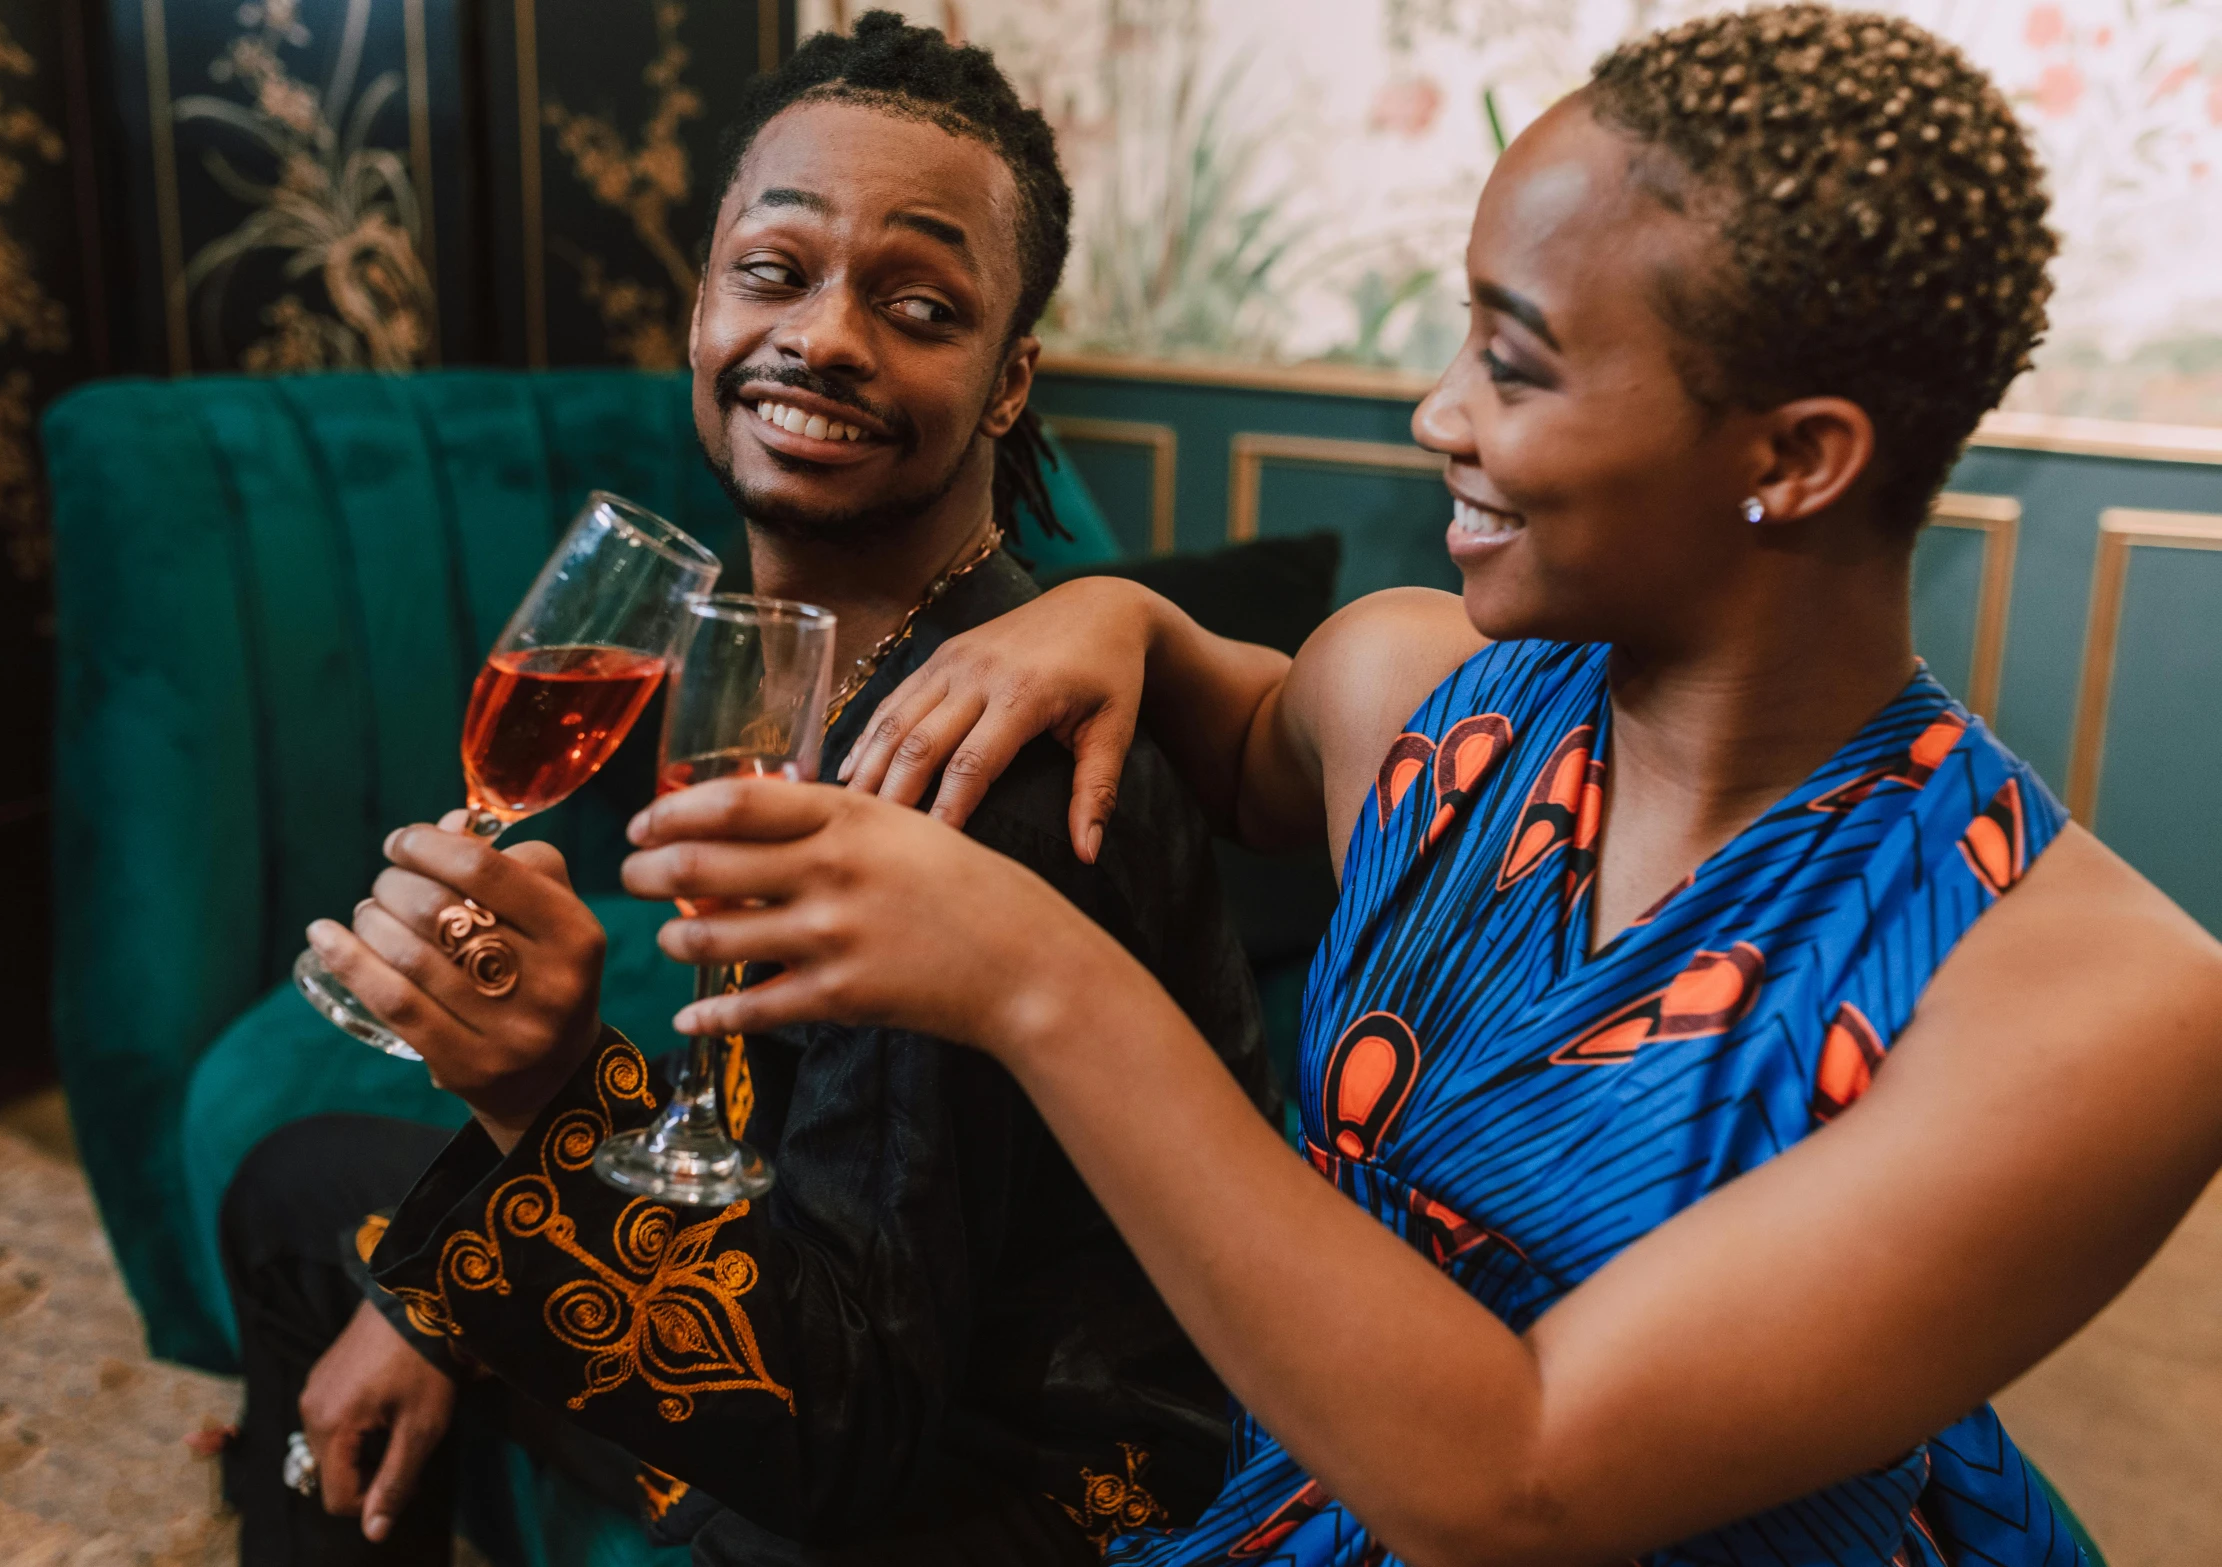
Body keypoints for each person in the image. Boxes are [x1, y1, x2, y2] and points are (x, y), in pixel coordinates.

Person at [611, 7, 2222, 1565]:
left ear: (1793, 459)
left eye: (1512, 364)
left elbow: (1512, 1488)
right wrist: (1122, 619)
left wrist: (1032, 974)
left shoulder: (2106, 1008)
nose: (1436, 412)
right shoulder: (1415, 686)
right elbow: (1250, 746)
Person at [227, 15, 1271, 1565]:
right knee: (316, 1192)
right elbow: (767, 1135)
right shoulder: (779, 655)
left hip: (1020, 1487)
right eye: (773, 273)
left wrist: (543, 1096)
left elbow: (849, 1438)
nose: (827, 337)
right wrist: (447, 1299)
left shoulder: (987, 775)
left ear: (1004, 382)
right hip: (833, 1307)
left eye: (917, 305)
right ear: (704, 307)